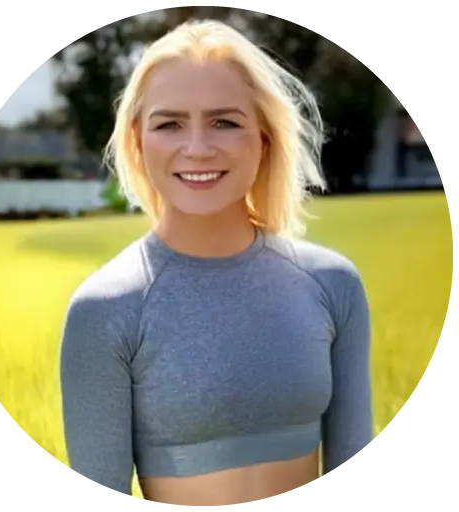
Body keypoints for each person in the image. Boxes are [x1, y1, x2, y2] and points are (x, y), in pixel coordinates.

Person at [59, 18, 373, 505]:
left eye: (224, 122)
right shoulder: (105, 310)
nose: (198, 148)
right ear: (138, 140)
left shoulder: (333, 285)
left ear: (264, 137)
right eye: (170, 124)